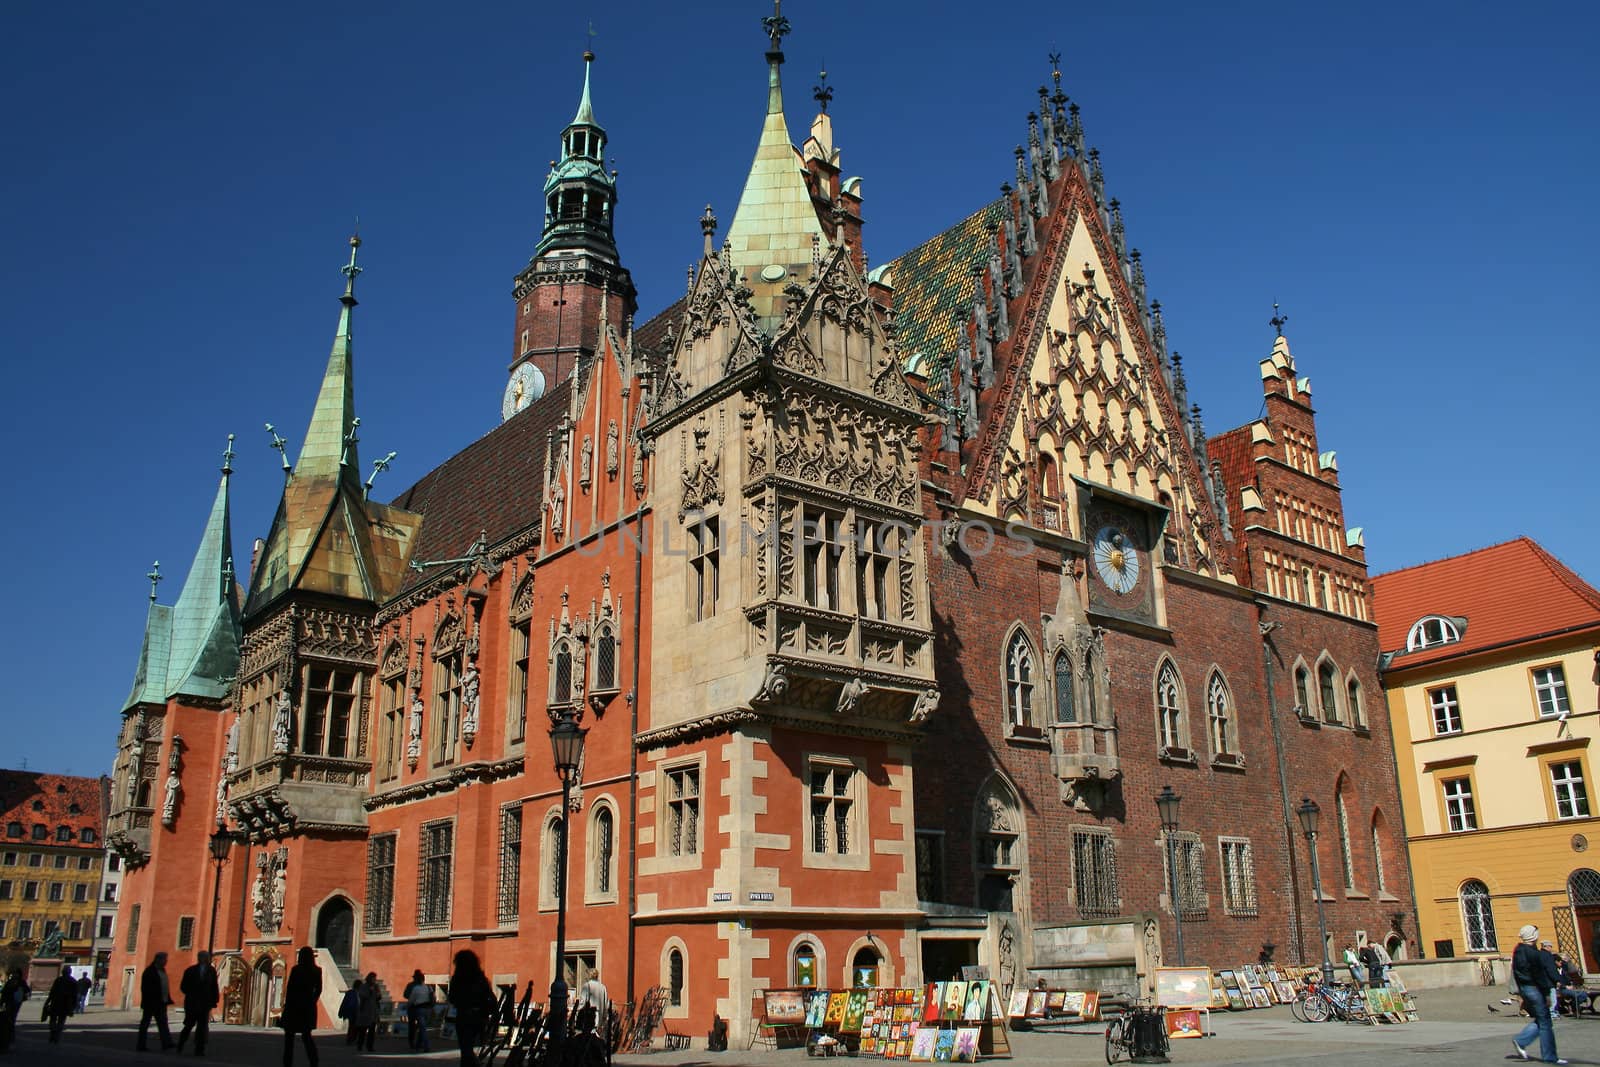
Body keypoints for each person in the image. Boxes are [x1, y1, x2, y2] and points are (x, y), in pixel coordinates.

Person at [1512, 924, 1565, 1064]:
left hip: (1525, 988)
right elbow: (1539, 975)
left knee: (1543, 1019)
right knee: (1546, 1022)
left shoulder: (1518, 950)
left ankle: (1521, 1040)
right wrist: (1547, 993)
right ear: (1534, 936)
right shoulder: (1533, 953)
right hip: (1534, 988)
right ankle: (1549, 1056)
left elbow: (1517, 973)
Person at [447, 950, 496, 1067]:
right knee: (468, 1047)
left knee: (465, 1048)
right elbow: (490, 997)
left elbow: (452, 997)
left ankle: (474, 1064)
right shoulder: (481, 978)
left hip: (464, 1016)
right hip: (479, 1017)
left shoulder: (458, 979)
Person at [281, 946, 322, 1067]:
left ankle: (287, 1063)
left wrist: (286, 1006)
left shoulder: (296, 970)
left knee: (289, 1039)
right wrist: (312, 1001)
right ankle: (314, 1061)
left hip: (294, 1006)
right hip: (308, 1007)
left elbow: (290, 989)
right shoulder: (317, 971)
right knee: (307, 1037)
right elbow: (319, 989)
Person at [176, 951, 221, 1056]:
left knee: (202, 1026)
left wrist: (214, 1000)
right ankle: (181, 1044)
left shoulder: (211, 971)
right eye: (204, 957)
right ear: (199, 958)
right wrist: (192, 994)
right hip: (192, 1003)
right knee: (188, 1025)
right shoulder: (190, 970)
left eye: (207, 957)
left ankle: (199, 1049)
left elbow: (214, 986)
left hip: (205, 1004)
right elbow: (183, 986)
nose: (206, 959)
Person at [137, 951, 176, 1052]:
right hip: (151, 1002)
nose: (166, 961)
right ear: (158, 960)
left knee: (163, 1023)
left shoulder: (162, 971)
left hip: (161, 1002)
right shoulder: (150, 971)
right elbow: (145, 988)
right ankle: (141, 1045)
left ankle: (166, 1043)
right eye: (164, 959)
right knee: (145, 1024)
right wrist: (149, 1000)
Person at [43, 970, 78, 1043]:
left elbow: (52, 992)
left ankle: (53, 1033)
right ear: (70, 972)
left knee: (53, 1019)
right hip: (66, 1004)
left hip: (56, 1002)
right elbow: (74, 995)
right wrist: (73, 1006)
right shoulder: (73, 981)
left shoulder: (58, 980)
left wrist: (47, 1001)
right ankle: (57, 1036)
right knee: (61, 1020)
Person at [576, 968, 611, 1040]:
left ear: (589, 975)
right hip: (600, 1016)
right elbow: (606, 1003)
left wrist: (577, 1010)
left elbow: (582, 1002)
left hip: (590, 1016)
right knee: (597, 1037)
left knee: (588, 1037)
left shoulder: (587, 986)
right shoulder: (603, 987)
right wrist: (604, 1016)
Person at [404, 970, 434, 1052]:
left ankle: (417, 1043)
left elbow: (409, 998)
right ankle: (417, 1043)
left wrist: (409, 1003)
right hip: (424, 1008)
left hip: (416, 1007)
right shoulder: (427, 987)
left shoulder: (414, 987)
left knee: (417, 1027)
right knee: (418, 1027)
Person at [353, 972, 381, 1052]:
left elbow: (378, 998)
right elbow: (363, 996)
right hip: (365, 1011)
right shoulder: (364, 986)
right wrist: (370, 991)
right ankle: (360, 1045)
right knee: (363, 1030)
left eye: (375, 978)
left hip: (373, 1011)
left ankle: (370, 1046)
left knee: (372, 1031)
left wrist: (377, 993)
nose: (374, 980)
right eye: (373, 978)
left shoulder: (376, 987)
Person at [0, 970, 26, 1052]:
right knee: (10, 1021)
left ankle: (8, 1040)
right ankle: (9, 1040)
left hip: (11, 1004)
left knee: (8, 1021)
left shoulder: (14, 982)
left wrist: (1, 1002)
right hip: (13, 1004)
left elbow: (4, 993)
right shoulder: (20, 982)